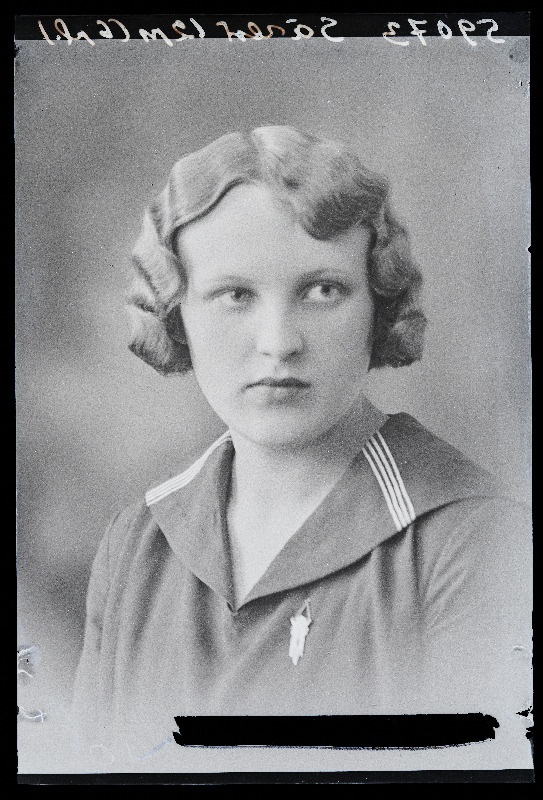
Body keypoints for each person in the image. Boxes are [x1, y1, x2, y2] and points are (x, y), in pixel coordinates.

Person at [72, 126, 532, 763]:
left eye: (323, 290)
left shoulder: (473, 542)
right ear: (177, 315)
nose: (278, 342)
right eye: (235, 295)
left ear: (378, 306)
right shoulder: (136, 548)